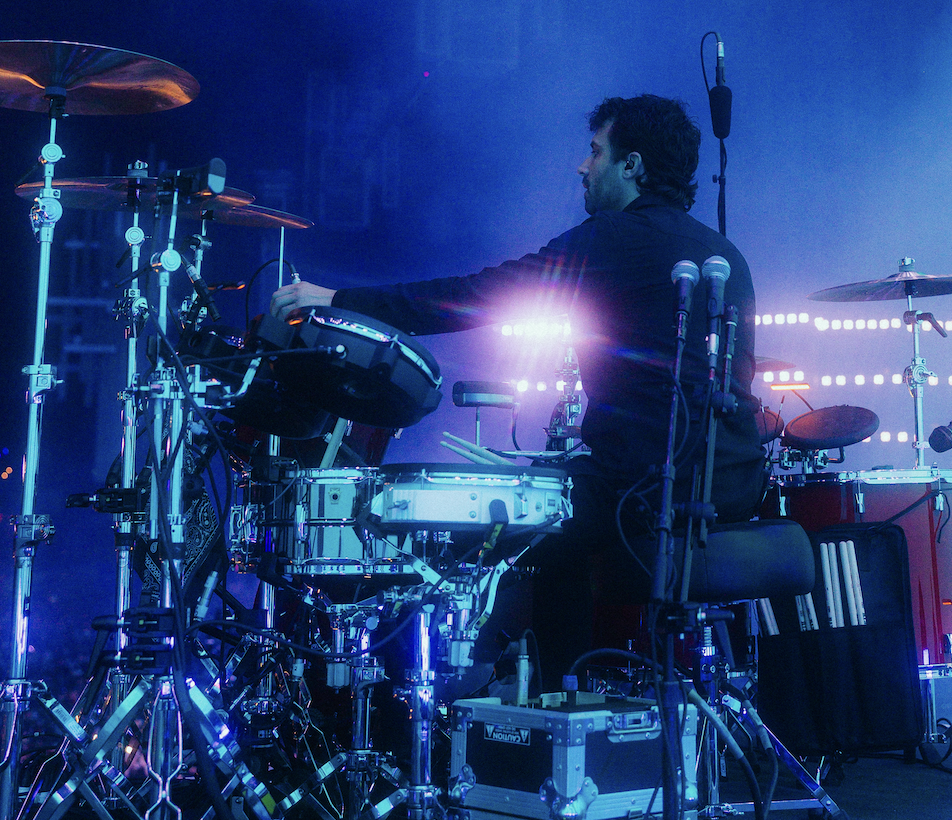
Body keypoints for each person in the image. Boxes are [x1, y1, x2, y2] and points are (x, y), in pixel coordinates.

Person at [270, 93, 765, 679]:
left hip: (649, 486)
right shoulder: (727, 254)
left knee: (534, 531)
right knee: (560, 503)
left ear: (631, 165)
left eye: (595, 152)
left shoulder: (612, 237)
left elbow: (479, 295)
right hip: (736, 484)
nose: (583, 166)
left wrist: (339, 300)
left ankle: (556, 699)